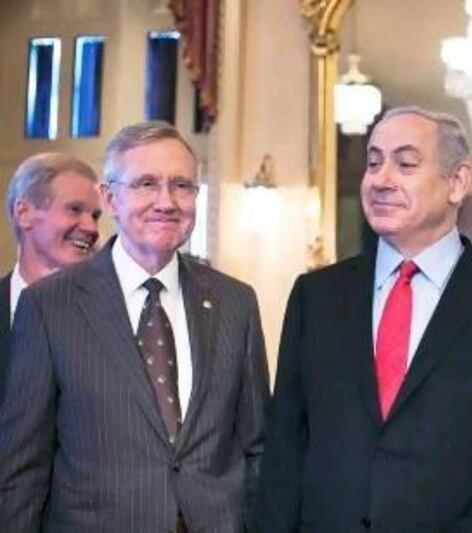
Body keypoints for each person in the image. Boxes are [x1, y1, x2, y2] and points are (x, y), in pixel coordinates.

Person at [260, 106, 472, 532]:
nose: (381, 179)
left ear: (457, 182)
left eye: (405, 163)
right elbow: (284, 448)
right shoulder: (317, 297)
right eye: (374, 162)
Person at [0, 122, 270, 532]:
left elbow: (257, 447)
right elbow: (23, 470)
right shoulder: (49, 307)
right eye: (146, 184)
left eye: (181, 185)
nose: (166, 201)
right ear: (109, 198)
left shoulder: (236, 303)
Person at [1, 152, 101, 376]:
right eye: (74, 209)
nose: (92, 228)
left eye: (95, 216)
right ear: (24, 213)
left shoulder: (115, 316)